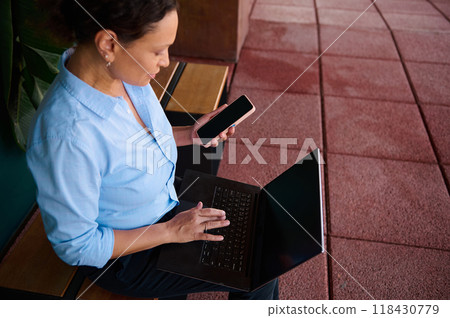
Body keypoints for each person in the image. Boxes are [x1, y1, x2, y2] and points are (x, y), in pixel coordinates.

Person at [27, 0, 279, 300]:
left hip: (164, 205)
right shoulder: (66, 136)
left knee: (260, 227)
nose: (165, 61)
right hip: (125, 257)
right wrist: (171, 232)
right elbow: (78, 246)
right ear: (109, 43)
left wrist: (192, 134)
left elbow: (131, 144)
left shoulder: (122, 75)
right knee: (259, 268)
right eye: (158, 50)